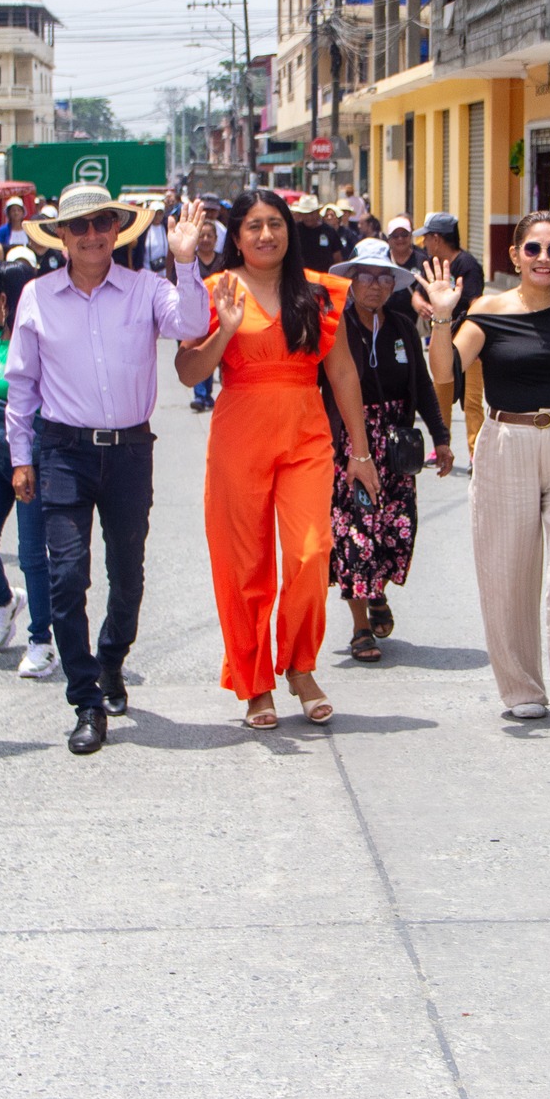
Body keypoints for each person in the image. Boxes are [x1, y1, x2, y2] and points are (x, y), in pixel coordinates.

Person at [6, 184, 207, 756]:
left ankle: (112, 657)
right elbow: (21, 384)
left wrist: (186, 260)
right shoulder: (37, 296)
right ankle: (86, 700)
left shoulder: (148, 288)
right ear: (61, 236)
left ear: (117, 230)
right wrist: (21, 457)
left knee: (128, 573)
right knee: (67, 576)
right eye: (79, 226)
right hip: (63, 451)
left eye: (102, 223)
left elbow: (191, 323)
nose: (91, 235)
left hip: (129, 452)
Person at [176, 191, 379, 728]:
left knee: (311, 553)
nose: (266, 235)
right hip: (238, 437)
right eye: (254, 226)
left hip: (306, 437)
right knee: (244, 567)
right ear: (236, 236)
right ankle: (255, 684)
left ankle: (299, 665)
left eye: (275, 224)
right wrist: (223, 328)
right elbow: (188, 372)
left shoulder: (317, 292)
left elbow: (342, 373)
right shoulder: (215, 290)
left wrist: (360, 452)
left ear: (290, 230)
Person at [419, 211, 550, 727]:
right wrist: (443, 318)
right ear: (515, 256)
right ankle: (521, 687)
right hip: (506, 445)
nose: (543, 258)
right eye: (533, 248)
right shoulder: (488, 312)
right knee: (507, 572)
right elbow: (443, 372)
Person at [324, 238, 455, 662]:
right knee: (355, 534)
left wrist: (441, 437)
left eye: (384, 278)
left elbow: (422, 386)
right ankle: (360, 626)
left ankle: (377, 592)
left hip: (396, 447)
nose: (375, 285)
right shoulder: (336, 326)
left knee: (396, 531)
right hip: (351, 445)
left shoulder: (401, 326)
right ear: (351, 281)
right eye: (366, 276)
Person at [0, 261, 57, 677]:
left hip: (29, 459)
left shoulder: (37, 339)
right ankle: (6, 600)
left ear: (5, 300)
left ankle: (42, 642)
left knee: (32, 554)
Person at [420, 211, 487, 456]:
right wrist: (421, 304)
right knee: (441, 397)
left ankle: (475, 453)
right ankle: (442, 448)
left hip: (469, 345)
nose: (424, 244)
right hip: (443, 344)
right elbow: (418, 292)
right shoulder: (433, 265)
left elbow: (476, 304)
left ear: (437, 239)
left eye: (426, 238)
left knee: (471, 401)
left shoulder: (467, 265)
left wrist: (476, 342)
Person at [188, 213, 226, 413]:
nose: (205, 239)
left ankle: (209, 395)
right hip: (197, 316)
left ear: (216, 239)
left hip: (220, 317)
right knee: (200, 353)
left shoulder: (223, 261)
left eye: (209, 236)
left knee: (217, 356)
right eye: (201, 236)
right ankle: (200, 396)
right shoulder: (190, 261)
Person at [383, 215, 424, 320]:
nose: (400, 239)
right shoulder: (383, 260)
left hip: (414, 321)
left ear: (410, 236)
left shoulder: (423, 261)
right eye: (395, 236)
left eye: (404, 234)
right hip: (387, 318)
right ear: (389, 239)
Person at [293, 193, 345, 272]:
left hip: (324, 277)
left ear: (317, 212)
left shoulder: (329, 231)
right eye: (305, 214)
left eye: (311, 213)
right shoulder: (294, 231)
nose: (308, 217)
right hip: (300, 276)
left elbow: (337, 258)